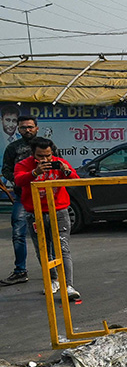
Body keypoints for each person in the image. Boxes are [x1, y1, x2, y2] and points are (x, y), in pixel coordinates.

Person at [13, 137, 81, 301]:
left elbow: (77, 181)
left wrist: (67, 171)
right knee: (43, 250)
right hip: (35, 213)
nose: (45, 160)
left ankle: (68, 285)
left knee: (63, 249)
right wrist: (35, 172)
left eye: (48, 156)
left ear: (52, 153)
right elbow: (18, 180)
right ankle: (53, 280)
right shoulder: (23, 165)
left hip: (59, 212)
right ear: (33, 154)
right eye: (40, 156)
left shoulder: (60, 162)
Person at [0, 116, 38, 286]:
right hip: (22, 196)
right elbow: (6, 170)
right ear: (18, 129)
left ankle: (54, 273)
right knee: (18, 233)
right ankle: (20, 271)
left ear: (37, 128)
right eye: (23, 127)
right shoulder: (13, 148)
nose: (27, 130)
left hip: (45, 196)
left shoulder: (45, 146)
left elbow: (56, 164)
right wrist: (18, 180)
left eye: (30, 127)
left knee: (49, 234)